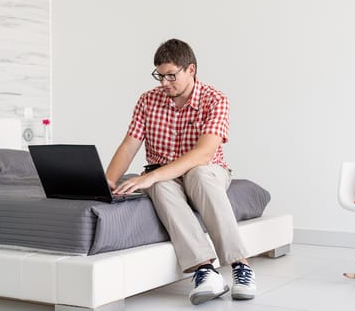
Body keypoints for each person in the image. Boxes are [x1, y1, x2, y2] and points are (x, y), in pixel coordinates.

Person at [106, 38, 256, 305]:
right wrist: (109, 180)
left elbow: (204, 154)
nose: (164, 83)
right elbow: (129, 145)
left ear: (191, 70)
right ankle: (204, 270)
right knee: (159, 185)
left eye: (171, 76)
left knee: (196, 175)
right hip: (162, 173)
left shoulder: (215, 100)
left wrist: (151, 175)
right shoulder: (148, 100)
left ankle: (240, 266)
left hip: (207, 169)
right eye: (160, 76)